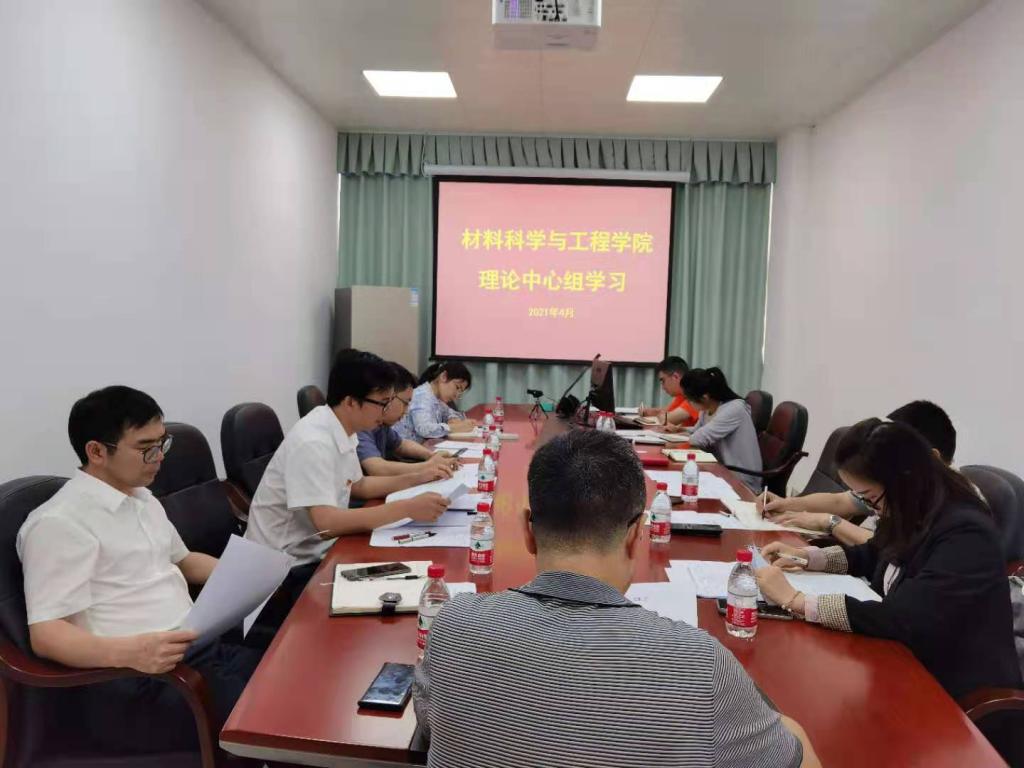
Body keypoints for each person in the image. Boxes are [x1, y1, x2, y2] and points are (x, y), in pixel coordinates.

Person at [414, 429, 820, 768]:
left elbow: (432, 724)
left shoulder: (452, 625)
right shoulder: (700, 665)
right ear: (636, 534)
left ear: (527, 532)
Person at [17, 386, 261, 754]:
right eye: (146, 447)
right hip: (136, 682)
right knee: (271, 719)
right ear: (97, 452)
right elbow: (47, 634)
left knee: (289, 678)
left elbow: (184, 561)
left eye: (162, 444)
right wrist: (131, 653)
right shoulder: (59, 524)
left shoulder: (142, 498)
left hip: (196, 652)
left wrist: (251, 573)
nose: (159, 458)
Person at [755, 419, 1022, 700]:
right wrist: (808, 558)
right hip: (902, 661)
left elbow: (904, 618)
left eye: (870, 499)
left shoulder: (966, 534)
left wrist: (797, 601)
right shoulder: (913, 509)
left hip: (954, 693)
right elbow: (873, 553)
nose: (871, 509)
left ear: (902, 481)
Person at [245, 349, 452, 566]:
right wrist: (406, 508)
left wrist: (419, 477)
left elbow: (358, 485)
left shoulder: (343, 427)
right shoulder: (313, 441)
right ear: (351, 402)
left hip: (319, 550)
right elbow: (327, 524)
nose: (386, 411)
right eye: (383, 403)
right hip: (285, 566)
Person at [760, 401, 962, 545]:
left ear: (930, 459)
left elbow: (892, 549)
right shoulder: (899, 488)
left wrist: (829, 522)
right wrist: (787, 504)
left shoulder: (955, 516)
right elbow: (841, 501)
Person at [357, 363, 461, 477]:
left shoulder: (382, 424)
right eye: (406, 403)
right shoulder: (362, 424)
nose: (406, 411)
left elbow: (401, 445)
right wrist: (427, 466)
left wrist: (431, 456)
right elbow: (377, 468)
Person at [682, 367, 762, 489]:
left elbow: (698, 438)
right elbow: (696, 431)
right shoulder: (708, 408)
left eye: (689, 399)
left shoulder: (734, 409)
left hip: (741, 479)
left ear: (705, 397)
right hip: (722, 470)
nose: (688, 403)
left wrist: (675, 442)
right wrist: (679, 431)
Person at [394, 360, 475, 442]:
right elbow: (424, 429)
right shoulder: (422, 396)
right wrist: (454, 427)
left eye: (460, 392)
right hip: (404, 447)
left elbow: (450, 412)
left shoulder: (437, 399)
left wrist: (453, 418)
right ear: (443, 376)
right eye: (457, 387)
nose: (456, 395)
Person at [638, 355, 700, 428]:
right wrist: (656, 412)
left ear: (675, 377)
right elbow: (668, 412)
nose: (662, 387)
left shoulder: (694, 395)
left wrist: (660, 414)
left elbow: (666, 419)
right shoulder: (682, 395)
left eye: (663, 381)